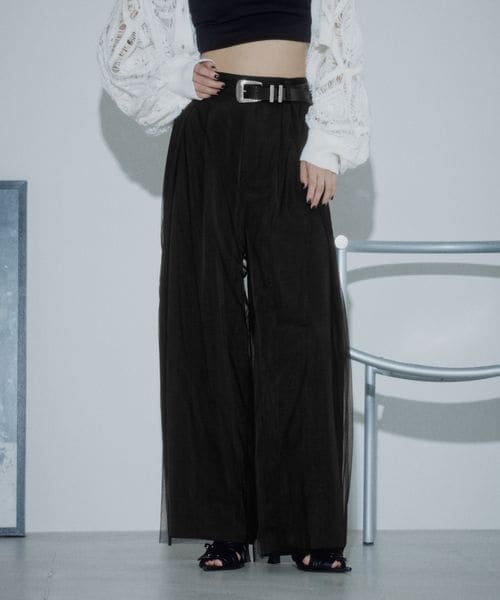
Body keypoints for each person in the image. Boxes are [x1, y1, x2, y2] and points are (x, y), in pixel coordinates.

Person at [97, 0, 370, 573]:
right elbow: (122, 53)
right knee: (207, 321)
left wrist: (328, 142)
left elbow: (342, 49)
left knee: (301, 325)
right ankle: (224, 528)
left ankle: (309, 527)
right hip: (210, 132)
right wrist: (179, 75)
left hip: (292, 132)